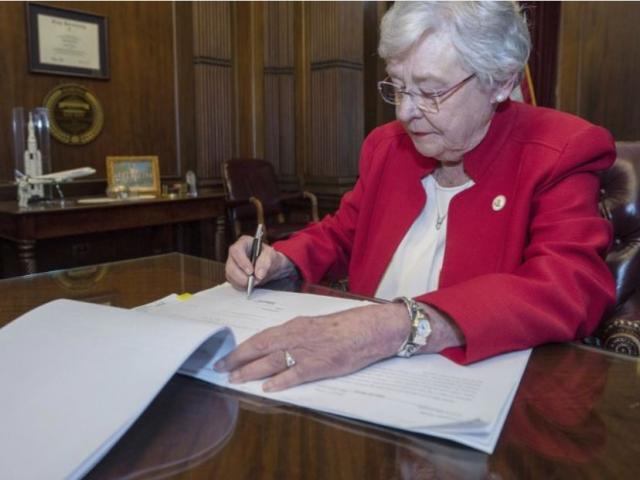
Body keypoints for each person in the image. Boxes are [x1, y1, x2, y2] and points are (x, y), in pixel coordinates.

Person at [217, 1, 616, 392]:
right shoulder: (387, 147)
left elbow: (569, 287)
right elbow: (343, 233)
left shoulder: (561, 149)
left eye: (430, 91)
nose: (406, 112)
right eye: (398, 86)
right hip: (361, 381)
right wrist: (282, 260)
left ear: (501, 81)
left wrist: (394, 325)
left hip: (476, 391)